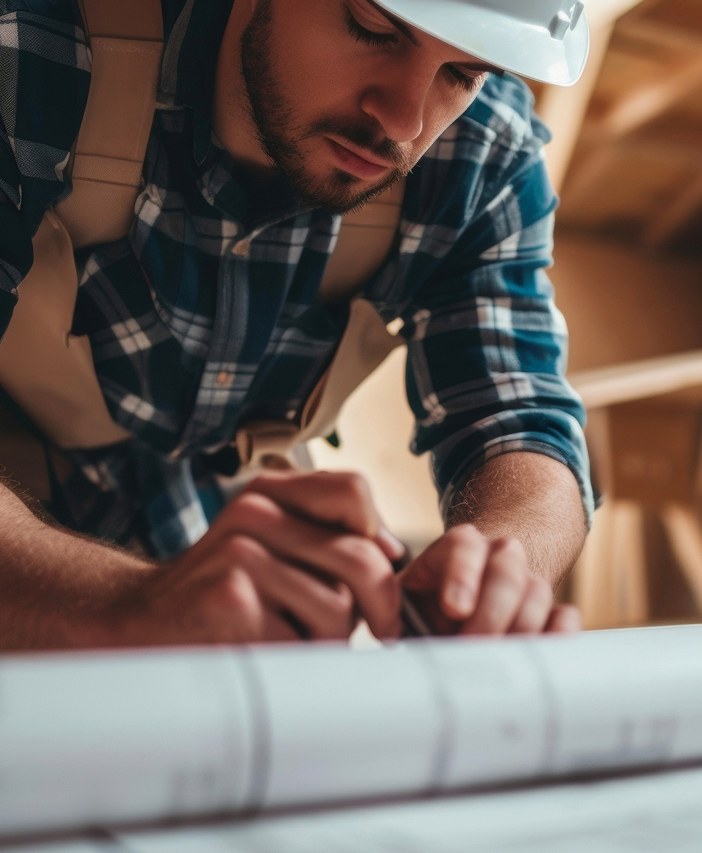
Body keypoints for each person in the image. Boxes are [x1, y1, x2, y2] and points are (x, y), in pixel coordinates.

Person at [0, 0, 594, 649]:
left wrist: (504, 565)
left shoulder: (484, 158)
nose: (406, 119)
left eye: (465, 72)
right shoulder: (30, 49)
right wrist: (124, 604)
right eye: (372, 28)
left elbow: (522, 417)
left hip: (233, 534)